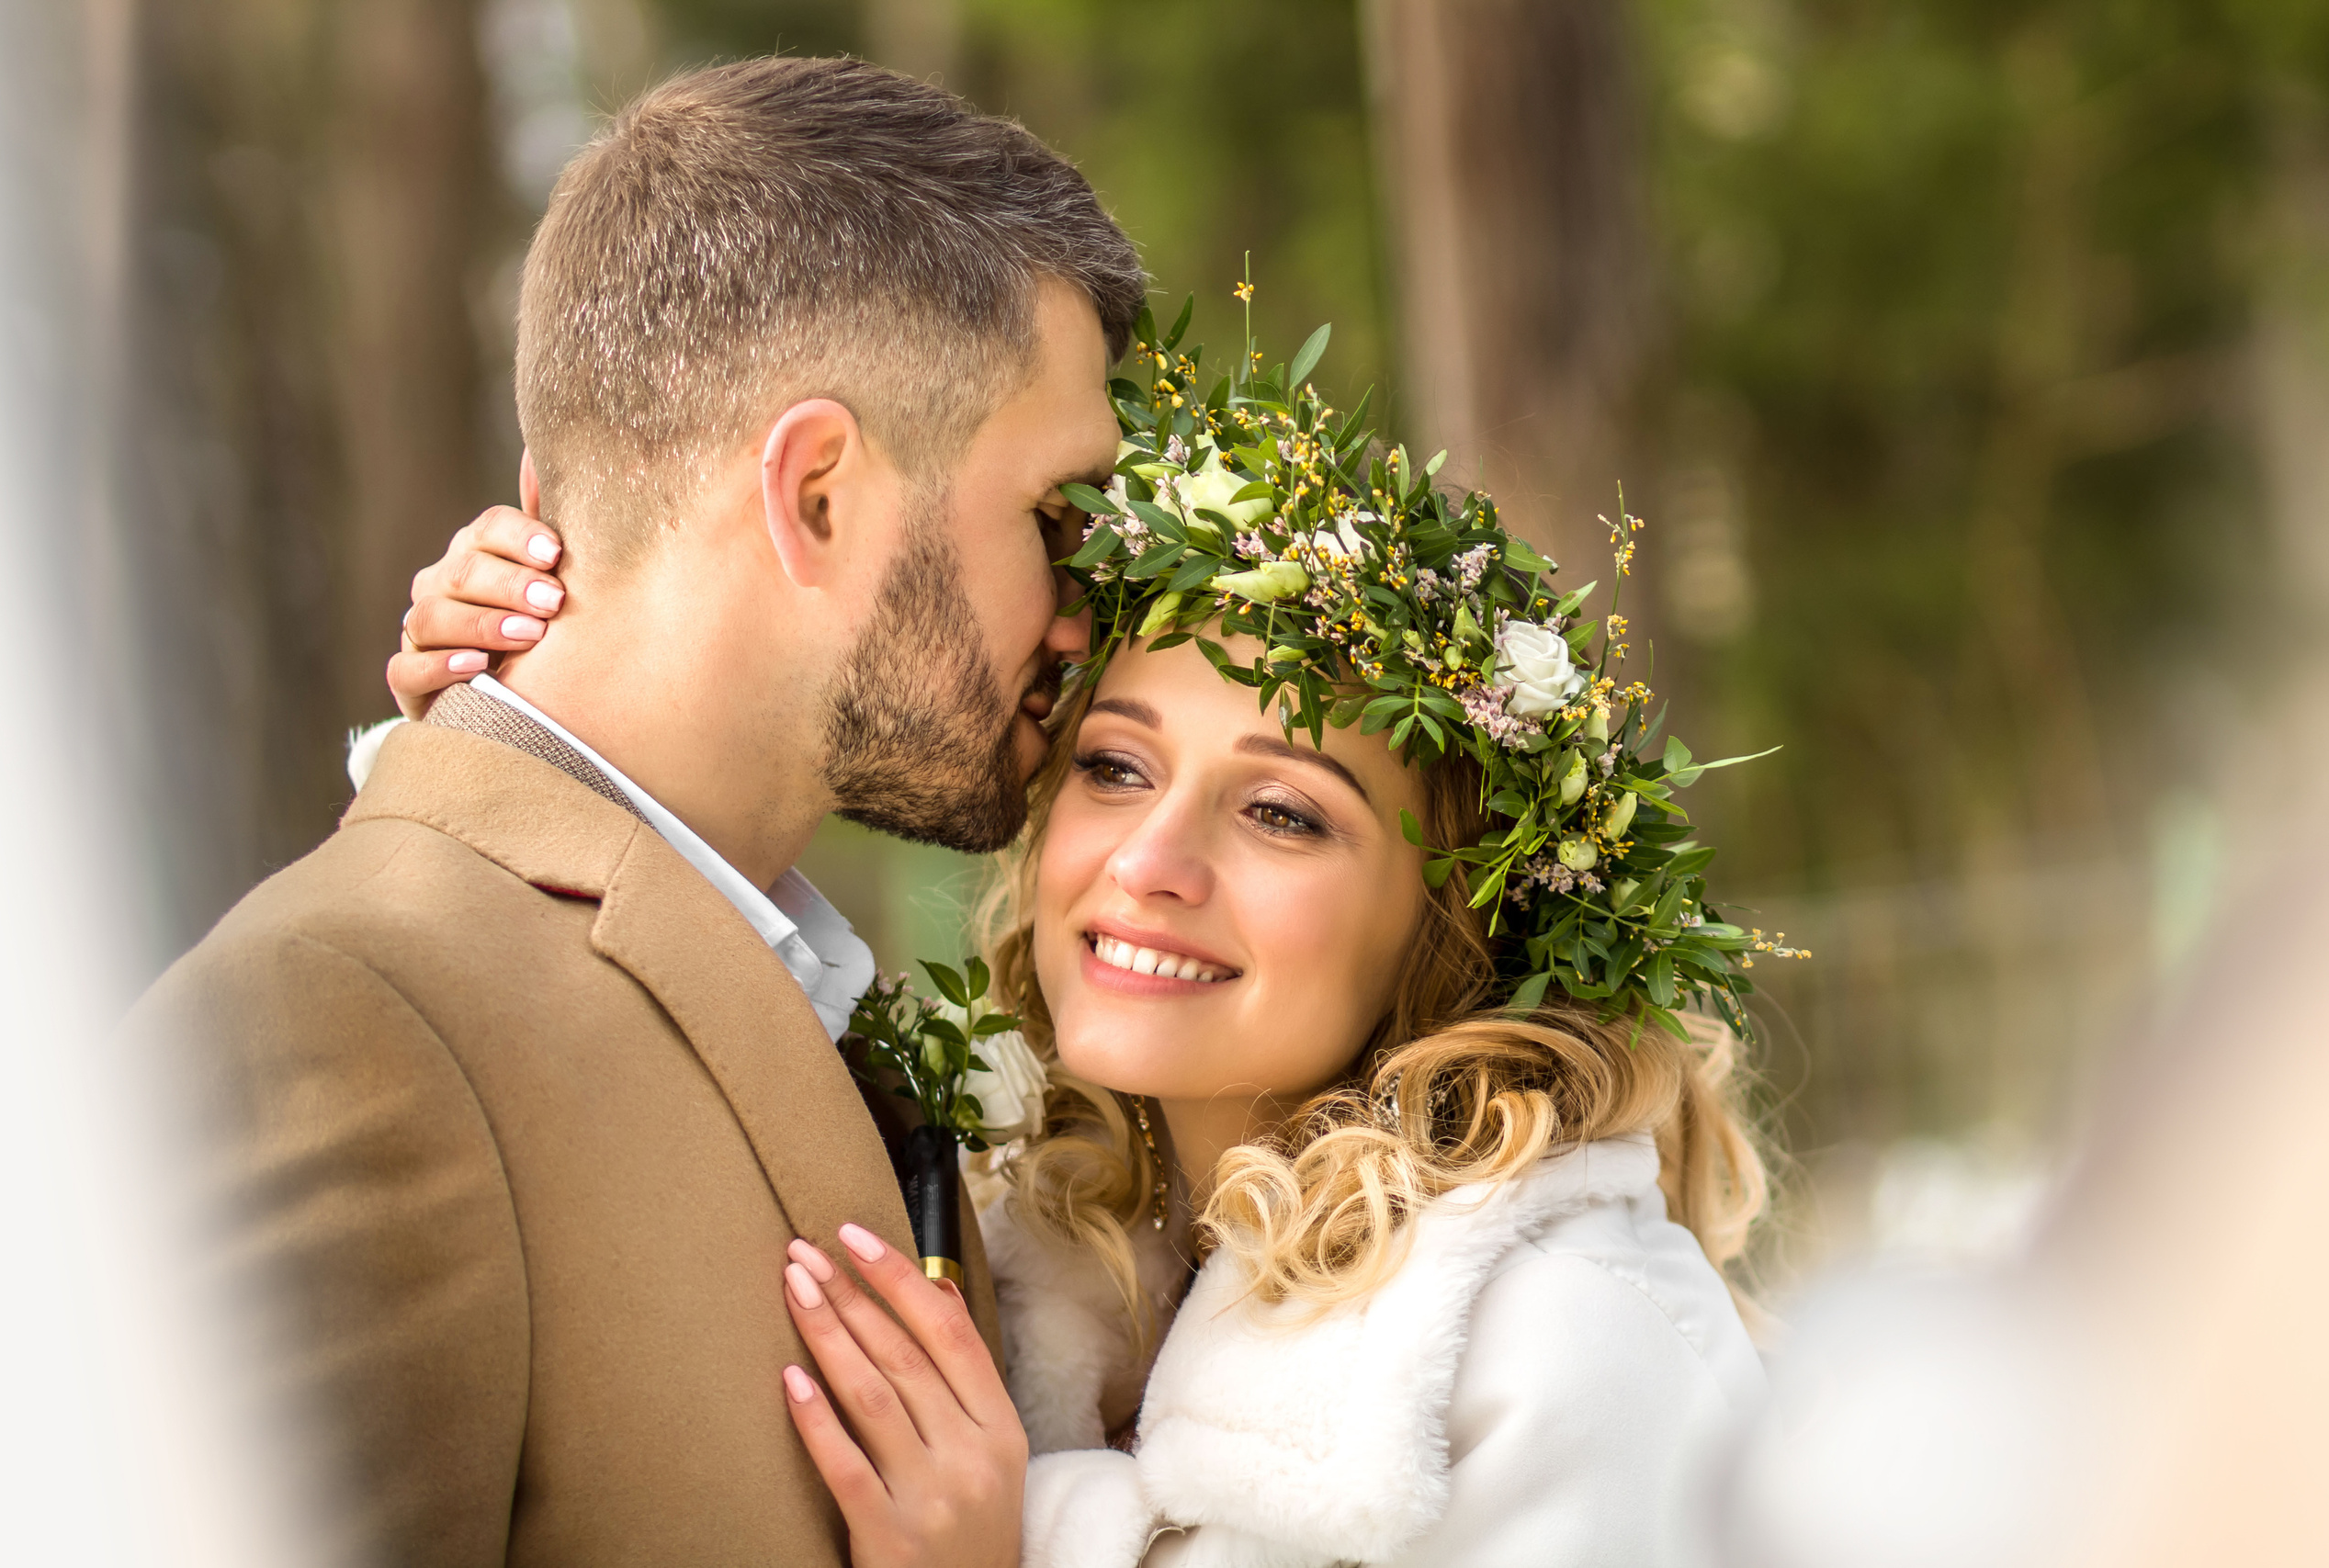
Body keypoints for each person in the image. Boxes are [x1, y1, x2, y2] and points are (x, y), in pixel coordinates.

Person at [398, 344, 1776, 1564]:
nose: (1150, 862)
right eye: (1116, 768)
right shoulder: (1012, 1247)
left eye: (1284, 812)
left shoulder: (1572, 1345)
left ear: (1453, 922)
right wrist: (523, 734)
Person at [129, 57, 1142, 1568]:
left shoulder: (787, 979)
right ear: (814, 494)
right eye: (1051, 517)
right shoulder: (331, 1023)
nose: (1082, 619)